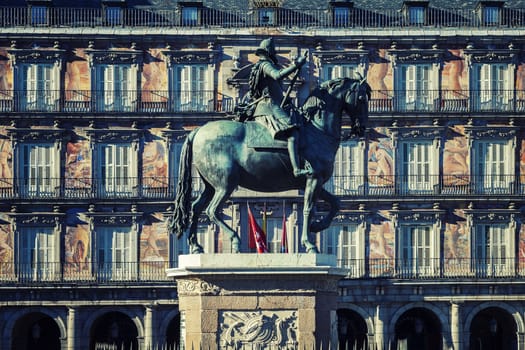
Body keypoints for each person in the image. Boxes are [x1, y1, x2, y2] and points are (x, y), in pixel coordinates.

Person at [249, 37, 312, 177]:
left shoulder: (262, 65)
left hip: (273, 104)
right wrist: (296, 65)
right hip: (268, 106)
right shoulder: (265, 64)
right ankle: (296, 169)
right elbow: (277, 76)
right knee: (293, 134)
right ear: (269, 52)